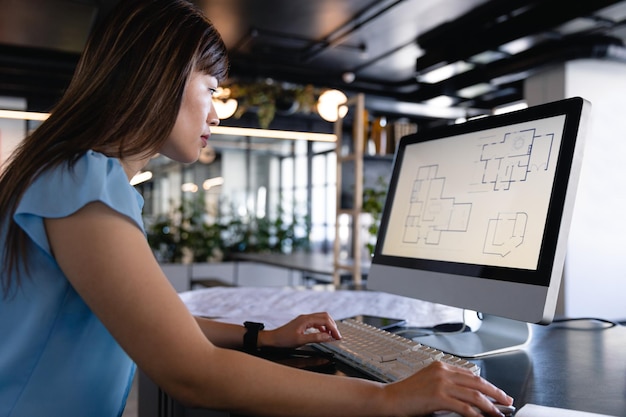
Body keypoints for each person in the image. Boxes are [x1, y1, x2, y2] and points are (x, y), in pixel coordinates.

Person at [0, 1, 513, 416]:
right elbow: (191, 372)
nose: (216, 113)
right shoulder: (82, 182)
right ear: (163, 78)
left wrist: (261, 337)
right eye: (211, 89)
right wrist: (389, 398)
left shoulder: (75, 176)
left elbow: (154, 321)